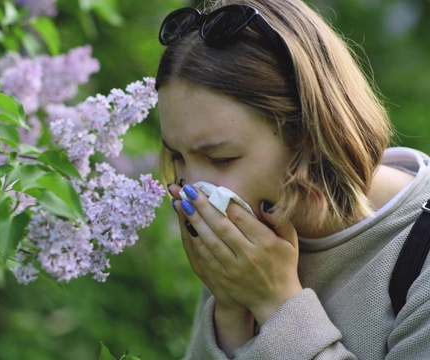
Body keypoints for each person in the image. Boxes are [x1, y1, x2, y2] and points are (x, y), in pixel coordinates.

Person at [156, 0, 430, 359]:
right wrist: (231, 313)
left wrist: (275, 303)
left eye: (221, 159)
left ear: (310, 135)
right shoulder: (251, 236)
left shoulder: (418, 259)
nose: (192, 189)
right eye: (177, 157)